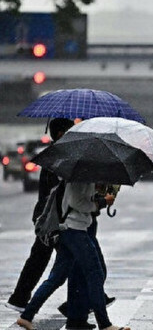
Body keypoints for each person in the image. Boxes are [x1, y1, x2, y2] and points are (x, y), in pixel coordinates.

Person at [16, 181, 127, 330]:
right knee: (95, 274)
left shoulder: (82, 176)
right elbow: (76, 202)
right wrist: (100, 203)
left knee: (56, 278)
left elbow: (79, 199)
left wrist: (98, 195)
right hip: (76, 231)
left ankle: (26, 316)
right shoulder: (81, 178)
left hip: (70, 230)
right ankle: (105, 324)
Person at [6, 118, 74, 313]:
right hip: (51, 218)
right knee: (76, 259)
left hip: (48, 217)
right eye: (71, 131)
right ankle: (75, 304)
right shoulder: (56, 158)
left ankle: (20, 298)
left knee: (41, 259)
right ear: (61, 134)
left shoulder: (55, 156)